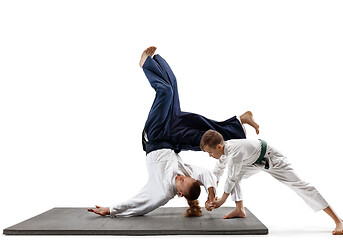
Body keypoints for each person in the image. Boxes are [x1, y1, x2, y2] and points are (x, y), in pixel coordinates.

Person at [88, 46, 259, 217]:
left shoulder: (162, 192)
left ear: (179, 193)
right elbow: (206, 175)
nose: (181, 177)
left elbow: (139, 203)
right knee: (205, 137)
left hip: (154, 137)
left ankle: (146, 63)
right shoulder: (186, 175)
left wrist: (111, 210)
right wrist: (211, 195)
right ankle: (239, 123)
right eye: (186, 178)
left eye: (182, 181)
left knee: (165, 91)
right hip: (171, 140)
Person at [200, 129, 343, 235]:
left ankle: (338, 220)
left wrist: (222, 201)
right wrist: (212, 197)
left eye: (210, 152)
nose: (210, 155)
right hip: (253, 161)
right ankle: (240, 209)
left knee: (301, 186)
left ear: (219, 147)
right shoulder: (225, 151)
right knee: (235, 176)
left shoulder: (234, 153)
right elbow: (218, 172)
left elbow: (231, 177)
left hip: (272, 158)